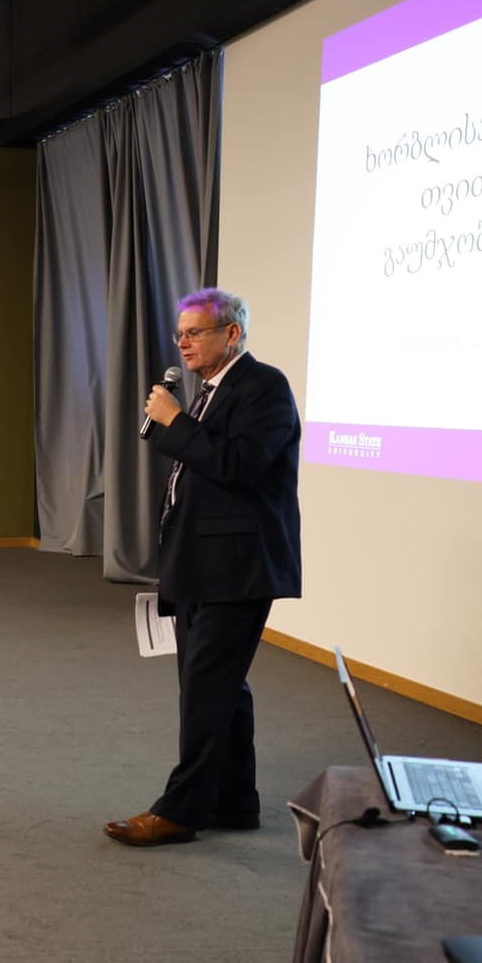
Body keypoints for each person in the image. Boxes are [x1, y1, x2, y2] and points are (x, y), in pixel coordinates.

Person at [106, 289, 302, 848]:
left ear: (231, 334)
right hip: (200, 564)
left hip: (237, 568)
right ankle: (234, 802)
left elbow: (238, 465)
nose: (184, 343)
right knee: (222, 689)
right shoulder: (208, 392)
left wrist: (175, 420)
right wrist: (175, 421)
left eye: (195, 332)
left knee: (204, 690)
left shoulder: (264, 387)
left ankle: (179, 811)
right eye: (180, 334)